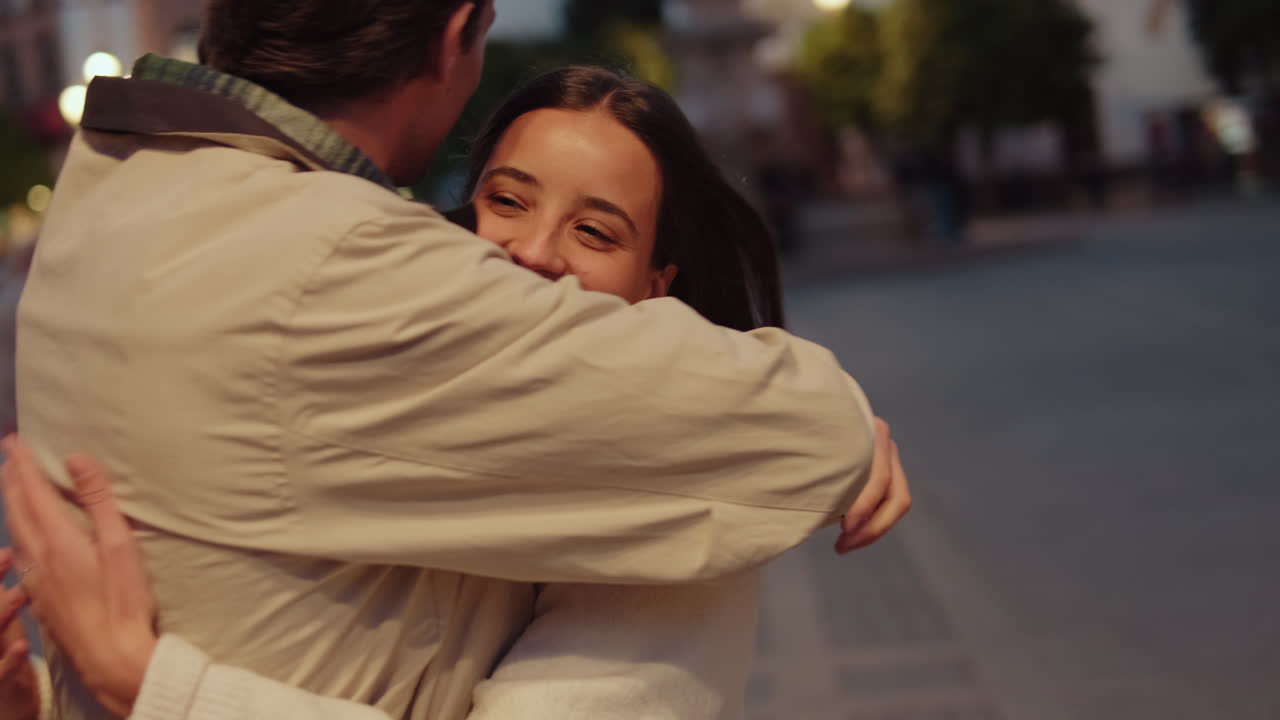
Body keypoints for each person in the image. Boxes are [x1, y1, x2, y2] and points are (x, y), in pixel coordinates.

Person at [16, 3, 897, 720]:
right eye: (506, 201)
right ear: (453, 37)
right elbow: (812, 430)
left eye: (596, 231)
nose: (532, 259)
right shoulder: (389, 318)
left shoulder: (674, 509)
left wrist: (161, 691)